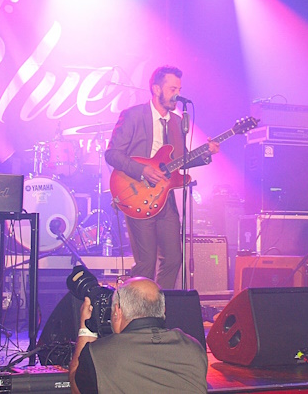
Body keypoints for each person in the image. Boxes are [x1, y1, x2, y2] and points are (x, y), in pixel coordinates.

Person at [105, 66, 218, 289]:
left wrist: (207, 153)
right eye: (172, 89)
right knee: (146, 263)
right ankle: (136, 306)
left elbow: (182, 159)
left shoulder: (177, 122)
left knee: (174, 259)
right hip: (137, 193)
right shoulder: (133, 115)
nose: (177, 94)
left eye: (179, 89)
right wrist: (142, 170)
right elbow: (112, 154)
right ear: (156, 89)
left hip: (165, 199)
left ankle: (161, 304)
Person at [69, 277, 208, 394]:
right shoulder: (193, 348)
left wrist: (86, 329)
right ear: (163, 310)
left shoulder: (99, 355)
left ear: (117, 312)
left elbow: (77, 388)